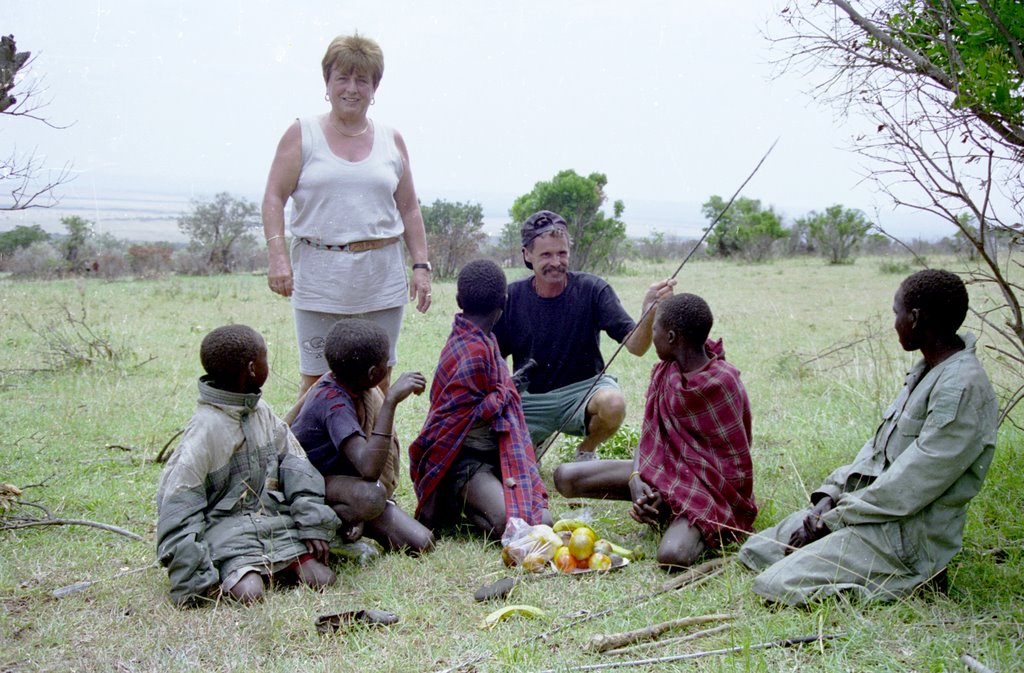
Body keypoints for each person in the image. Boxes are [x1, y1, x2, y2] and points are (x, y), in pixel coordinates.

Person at [739, 269, 999, 606]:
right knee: (756, 551)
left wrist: (834, 520)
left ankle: (918, 580)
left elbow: (910, 486)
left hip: (906, 536)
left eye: (897, 313)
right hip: (868, 512)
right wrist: (830, 496)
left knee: (776, 585)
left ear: (916, 318)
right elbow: (876, 453)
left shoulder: (961, 387)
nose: (895, 323)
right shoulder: (926, 370)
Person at [262, 32, 432, 398]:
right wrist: (277, 257)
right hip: (320, 278)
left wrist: (421, 266)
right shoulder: (301, 134)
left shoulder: (392, 139)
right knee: (316, 383)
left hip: (380, 278)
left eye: (362, 80)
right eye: (342, 77)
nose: (351, 89)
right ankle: (305, 456)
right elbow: (274, 197)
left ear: (375, 87)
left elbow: (409, 207)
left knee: (380, 379)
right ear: (327, 82)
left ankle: (380, 455)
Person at [553, 293, 756, 569]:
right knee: (565, 477)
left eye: (655, 328)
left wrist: (675, 492)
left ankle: (673, 513)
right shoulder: (665, 373)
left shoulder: (723, 382)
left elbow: (735, 464)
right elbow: (649, 439)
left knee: (673, 556)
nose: (652, 335)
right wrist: (638, 479)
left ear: (671, 337)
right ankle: (664, 506)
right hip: (661, 474)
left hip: (707, 492)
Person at [156, 325, 338, 607]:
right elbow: (178, 512)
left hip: (274, 522)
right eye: (266, 356)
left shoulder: (261, 411)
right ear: (253, 368)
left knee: (323, 579)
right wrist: (194, 578)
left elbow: (297, 466)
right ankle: (250, 571)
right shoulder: (205, 430)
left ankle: (278, 566)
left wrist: (312, 521)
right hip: (226, 531)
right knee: (250, 594)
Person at [492, 210, 675, 461]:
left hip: (584, 391)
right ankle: (532, 442)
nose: (556, 262)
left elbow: (636, 346)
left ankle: (586, 452)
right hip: (530, 398)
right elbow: (493, 357)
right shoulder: (511, 297)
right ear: (527, 254)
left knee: (613, 403)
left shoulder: (593, 289)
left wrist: (649, 312)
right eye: (546, 254)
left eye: (562, 253)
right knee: (492, 453)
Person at [409, 260, 550, 538]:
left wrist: (505, 391)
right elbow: (470, 414)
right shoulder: (472, 348)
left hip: (491, 452)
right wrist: (504, 394)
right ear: (504, 302)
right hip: (459, 459)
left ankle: (474, 503)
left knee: (542, 517)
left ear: (459, 299)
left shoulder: (481, 339)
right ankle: (461, 500)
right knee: (513, 525)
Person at [290, 319, 434, 555]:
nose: (387, 368)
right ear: (371, 373)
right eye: (385, 364)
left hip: (344, 486)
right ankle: (329, 527)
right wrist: (390, 401)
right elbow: (369, 469)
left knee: (421, 543)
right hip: (309, 487)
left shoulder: (354, 387)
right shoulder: (332, 401)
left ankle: (354, 517)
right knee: (372, 495)